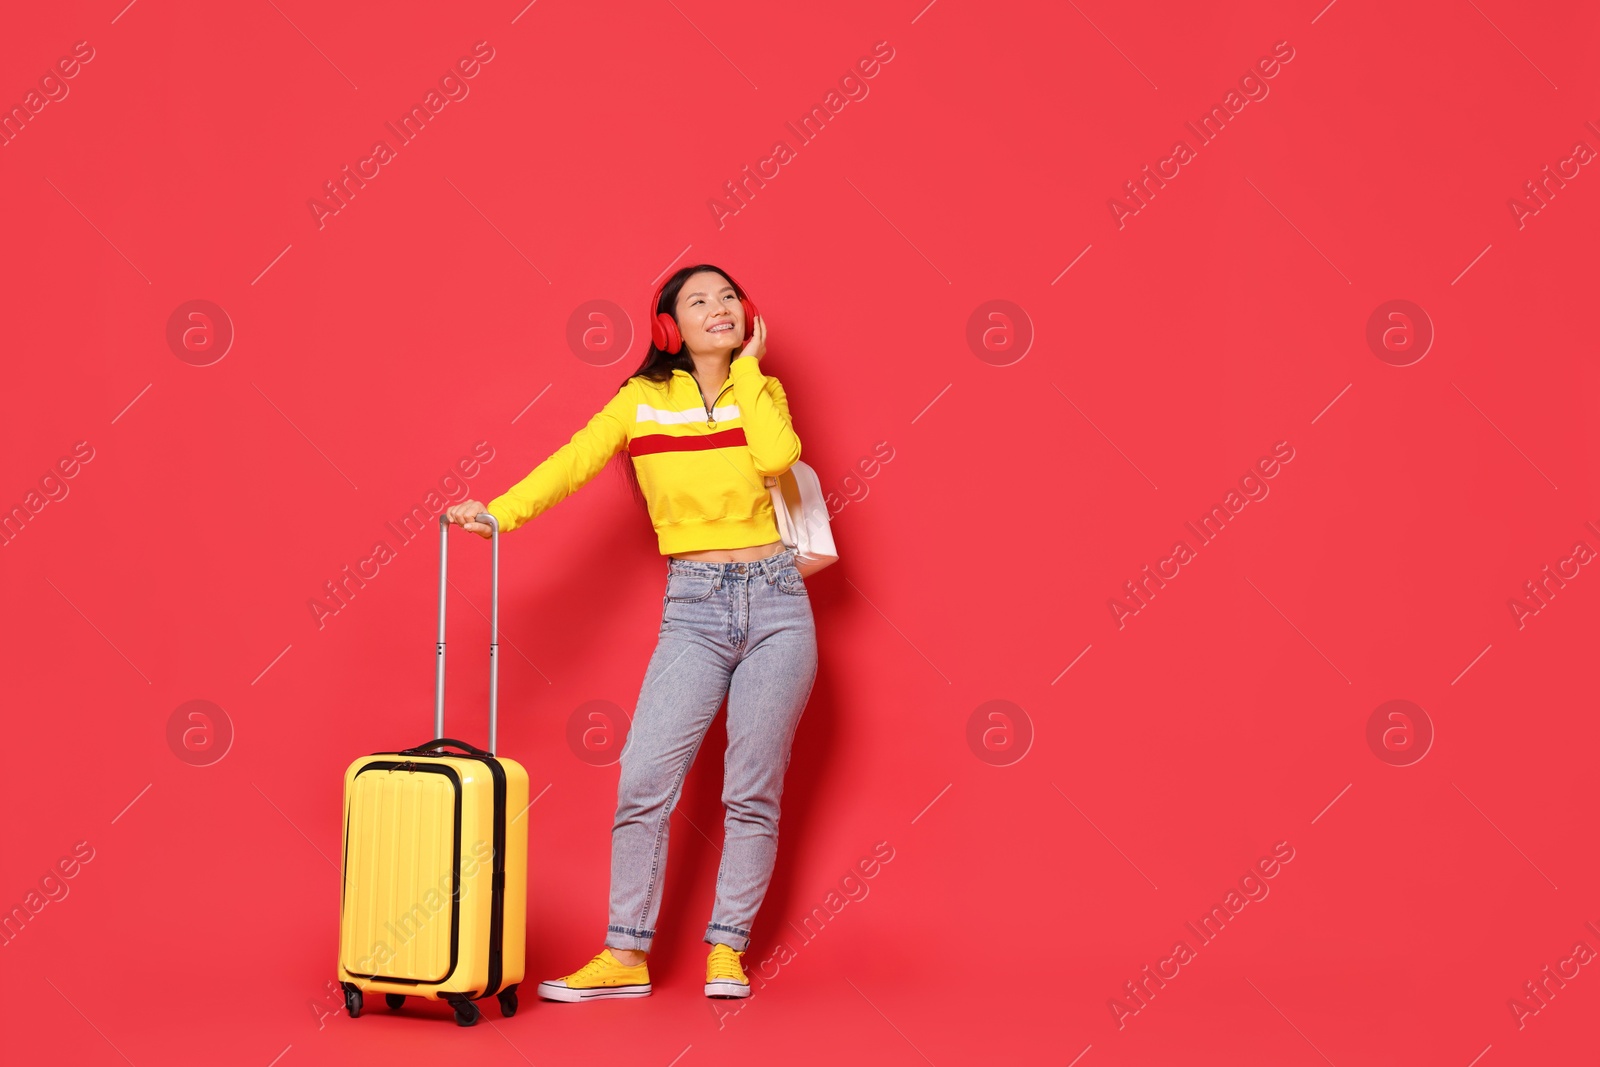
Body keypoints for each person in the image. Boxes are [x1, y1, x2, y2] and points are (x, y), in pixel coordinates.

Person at [446, 265, 818, 1002]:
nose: (720, 309)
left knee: (753, 791)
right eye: (699, 300)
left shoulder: (761, 391)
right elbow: (575, 460)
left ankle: (726, 949)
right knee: (645, 779)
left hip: (779, 602)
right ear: (668, 326)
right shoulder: (642, 402)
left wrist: (747, 372)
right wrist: (501, 512)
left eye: (729, 298)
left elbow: (778, 460)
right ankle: (625, 955)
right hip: (696, 606)